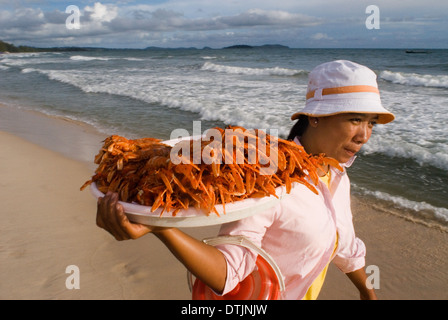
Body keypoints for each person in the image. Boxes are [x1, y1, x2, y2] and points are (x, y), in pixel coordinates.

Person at [96, 60, 395, 300]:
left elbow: (345, 244)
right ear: (315, 117)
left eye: (371, 123)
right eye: (355, 119)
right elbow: (229, 271)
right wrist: (160, 226)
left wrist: (366, 291)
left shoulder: (337, 175)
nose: (364, 136)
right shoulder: (269, 180)